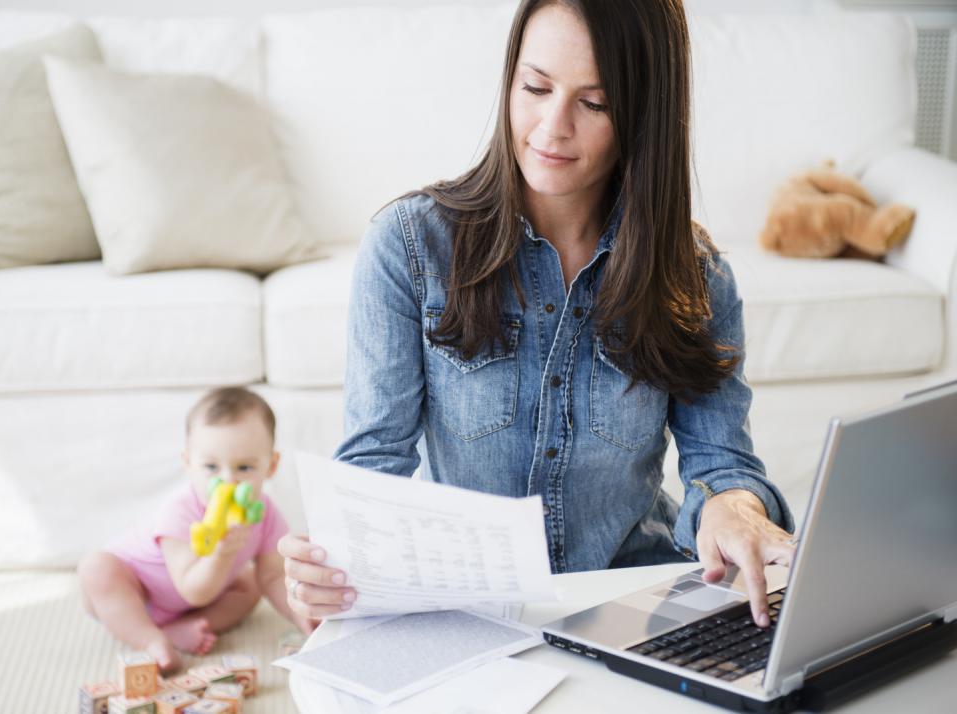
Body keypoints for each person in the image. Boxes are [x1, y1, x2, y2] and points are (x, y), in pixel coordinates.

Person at [279, 0, 796, 636]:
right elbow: (373, 463)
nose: (552, 127)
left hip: (633, 597)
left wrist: (732, 508)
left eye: (595, 103)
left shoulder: (696, 275)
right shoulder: (409, 245)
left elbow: (723, 465)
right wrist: (334, 568)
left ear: (642, 115)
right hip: (469, 612)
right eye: (536, 87)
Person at [79, 386, 305, 673]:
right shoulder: (180, 510)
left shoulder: (265, 513)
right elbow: (192, 590)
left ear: (271, 466)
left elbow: (274, 575)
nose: (228, 482)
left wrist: (301, 617)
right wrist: (222, 554)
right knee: (96, 567)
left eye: (245, 468)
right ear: (188, 463)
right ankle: (150, 640)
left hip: (194, 603)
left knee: (251, 585)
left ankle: (177, 629)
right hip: (135, 594)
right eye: (211, 466)